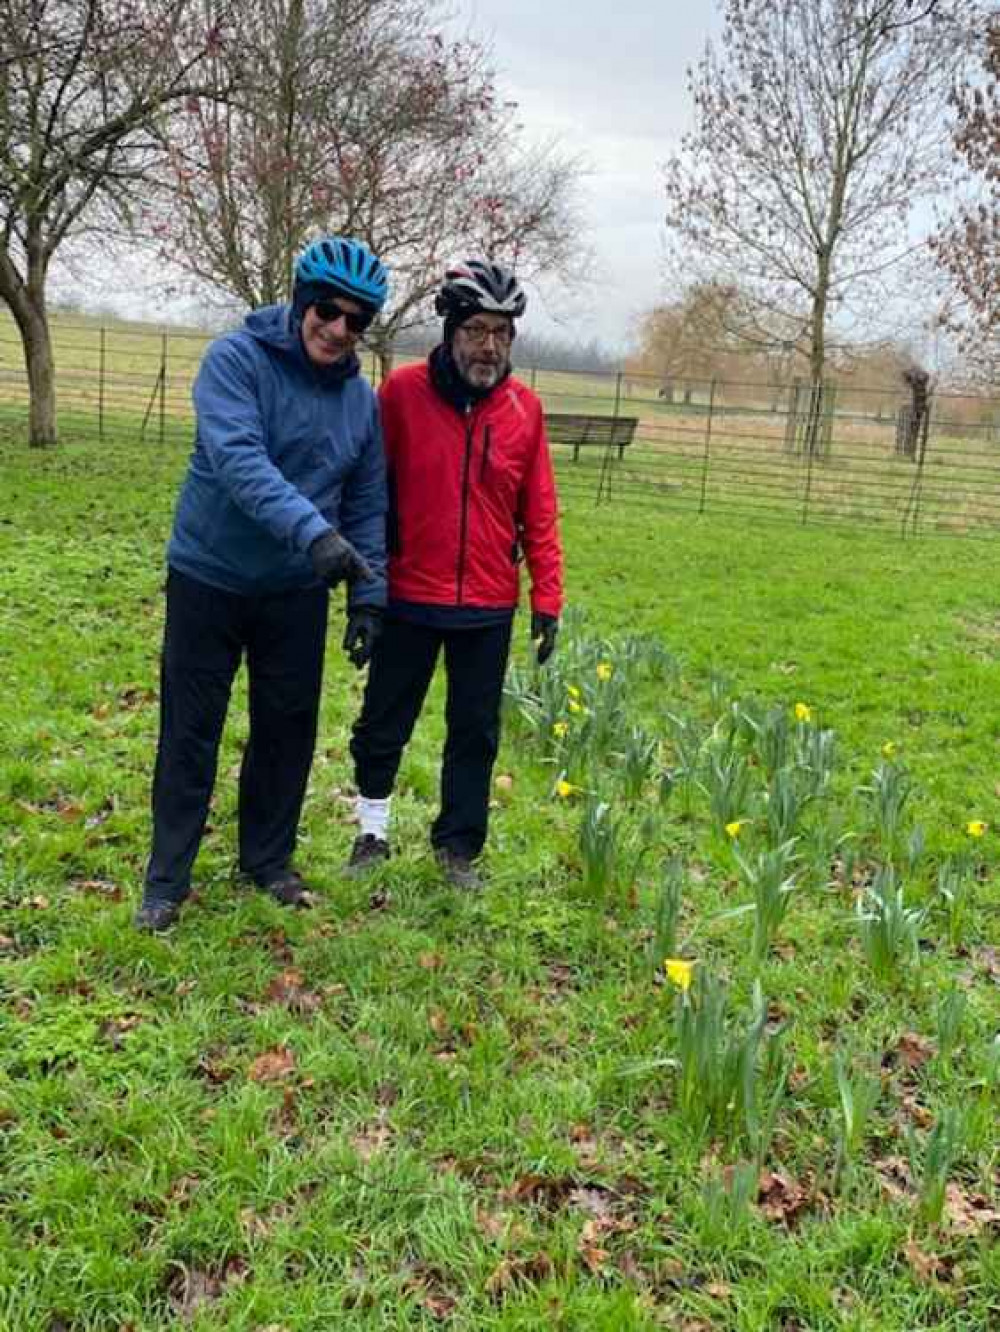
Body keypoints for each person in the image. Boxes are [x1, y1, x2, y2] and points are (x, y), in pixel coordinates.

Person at [135, 236, 389, 932]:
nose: (338, 330)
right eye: (327, 311)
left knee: (286, 730)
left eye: (356, 320)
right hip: (210, 576)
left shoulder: (360, 404)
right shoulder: (234, 362)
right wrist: (315, 536)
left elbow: (367, 503)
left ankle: (267, 862)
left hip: (294, 592)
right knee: (191, 731)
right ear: (301, 300)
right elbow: (240, 463)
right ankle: (167, 880)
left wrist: (369, 598)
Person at [347, 258, 563, 890]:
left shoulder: (526, 410)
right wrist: (366, 591)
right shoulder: (401, 396)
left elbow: (540, 511)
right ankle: (372, 830)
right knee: (384, 720)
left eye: (500, 333)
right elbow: (368, 494)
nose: (488, 346)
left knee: (474, 733)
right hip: (409, 593)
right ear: (449, 330)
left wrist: (546, 597)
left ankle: (458, 848)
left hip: (488, 604)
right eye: (475, 330)